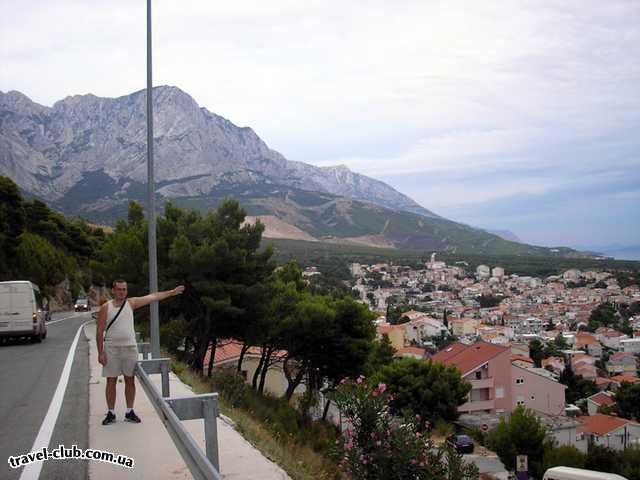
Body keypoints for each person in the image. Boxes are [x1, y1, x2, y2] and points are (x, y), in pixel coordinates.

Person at [96, 279, 184, 425]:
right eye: (119, 289)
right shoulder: (106, 307)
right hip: (111, 349)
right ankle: (111, 413)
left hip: (129, 348)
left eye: (124, 289)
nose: (122, 292)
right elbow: (99, 332)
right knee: (111, 380)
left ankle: (129, 411)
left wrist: (171, 292)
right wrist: (100, 352)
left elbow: (152, 297)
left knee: (130, 380)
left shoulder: (131, 303)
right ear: (113, 290)